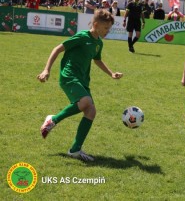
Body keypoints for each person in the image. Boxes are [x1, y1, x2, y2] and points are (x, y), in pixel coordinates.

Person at [37, 9, 123, 161]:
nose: (107, 31)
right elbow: (57, 49)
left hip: (83, 80)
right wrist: (46, 70)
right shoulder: (82, 36)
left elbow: (97, 60)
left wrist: (111, 73)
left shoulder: (98, 43)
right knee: (86, 102)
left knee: (91, 112)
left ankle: (75, 150)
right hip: (69, 76)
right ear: (95, 24)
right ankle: (53, 119)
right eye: (105, 28)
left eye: (109, 29)